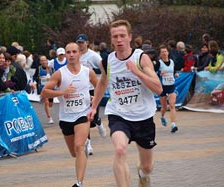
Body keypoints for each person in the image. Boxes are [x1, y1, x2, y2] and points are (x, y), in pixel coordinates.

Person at [87, 19, 162, 187]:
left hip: (144, 117)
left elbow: (158, 88)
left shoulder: (141, 58)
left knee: (147, 166)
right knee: (120, 150)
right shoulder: (106, 61)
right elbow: (102, 83)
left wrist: (137, 72)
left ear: (130, 37)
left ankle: (143, 175)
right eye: (115, 36)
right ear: (111, 39)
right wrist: (93, 108)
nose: (119, 39)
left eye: (122, 36)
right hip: (119, 114)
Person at [41, 42, 98, 187]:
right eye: (68, 52)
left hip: (82, 114)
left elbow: (100, 87)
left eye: (74, 52)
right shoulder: (59, 73)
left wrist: (94, 98)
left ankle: (79, 183)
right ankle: (82, 151)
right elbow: (44, 92)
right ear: (65, 55)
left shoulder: (87, 72)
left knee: (79, 147)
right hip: (66, 117)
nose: (71, 55)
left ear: (79, 53)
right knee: (74, 152)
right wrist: (62, 92)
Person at [76, 33, 107, 156]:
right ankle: (88, 144)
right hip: (80, 90)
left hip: (92, 89)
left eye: (82, 42)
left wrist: (95, 73)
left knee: (92, 118)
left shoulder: (94, 56)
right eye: (78, 42)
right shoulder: (75, 55)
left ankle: (98, 122)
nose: (80, 45)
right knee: (84, 118)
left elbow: (104, 68)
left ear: (87, 43)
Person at [154, 45, 179, 133]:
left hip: (171, 86)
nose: (164, 53)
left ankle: (173, 124)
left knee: (172, 105)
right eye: (162, 52)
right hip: (162, 87)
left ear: (168, 52)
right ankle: (162, 116)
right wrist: (160, 73)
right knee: (164, 107)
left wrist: (175, 74)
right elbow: (153, 73)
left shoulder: (172, 61)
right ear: (160, 54)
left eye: (165, 51)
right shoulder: (158, 63)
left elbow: (173, 70)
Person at [34, 55, 54, 124]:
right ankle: (50, 118)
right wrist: (36, 81)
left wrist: (50, 78)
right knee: (46, 102)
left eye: (44, 60)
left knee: (50, 104)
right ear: (40, 62)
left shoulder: (51, 68)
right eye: (42, 61)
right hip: (43, 88)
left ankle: (47, 107)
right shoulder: (39, 69)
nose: (43, 62)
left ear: (47, 60)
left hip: (51, 88)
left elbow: (55, 77)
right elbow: (34, 77)